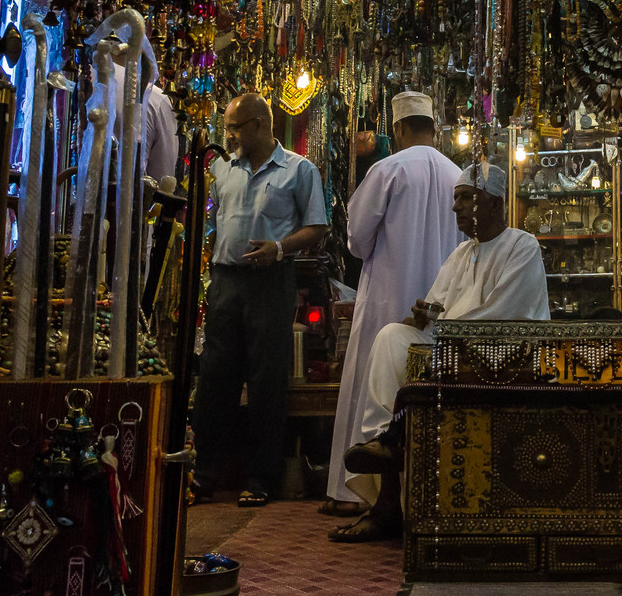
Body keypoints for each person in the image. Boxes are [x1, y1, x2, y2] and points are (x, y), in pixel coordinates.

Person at [329, 162, 548, 542]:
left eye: (466, 199)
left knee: (417, 352)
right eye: (455, 199)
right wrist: (419, 317)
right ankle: (385, 452)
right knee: (391, 337)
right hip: (452, 352)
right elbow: (432, 312)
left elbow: (503, 316)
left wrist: (439, 323)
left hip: (503, 361)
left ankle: (391, 446)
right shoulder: (461, 255)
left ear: (494, 204)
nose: (455, 208)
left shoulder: (521, 245)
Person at [324, 91, 464, 513]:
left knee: (372, 385)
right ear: (433, 128)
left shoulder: (388, 169)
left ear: (399, 128)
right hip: (439, 304)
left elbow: (357, 241)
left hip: (387, 297)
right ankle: (423, 493)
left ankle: (353, 493)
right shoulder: (459, 174)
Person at [194, 92, 328, 507]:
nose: (229, 135)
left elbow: (317, 227)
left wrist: (279, 248)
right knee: (216, 378)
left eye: (235, 127)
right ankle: (205, 473)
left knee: (267, 381)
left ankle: (259, 477)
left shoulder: (298, 170)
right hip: (225, 281)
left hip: (270, 281)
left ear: (258, 124)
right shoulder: (222, 168)